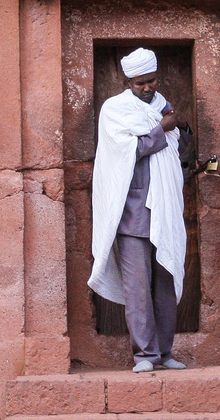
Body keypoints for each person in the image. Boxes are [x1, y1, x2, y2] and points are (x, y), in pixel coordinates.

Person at [88, 47, 189, 372]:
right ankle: (144, 355)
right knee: (137, 291)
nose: (148, 88)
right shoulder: (114, 110)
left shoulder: (163, 107)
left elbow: (177, 149)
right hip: (132, 216)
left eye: (152, 81)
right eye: (140, 83)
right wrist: (163, 128)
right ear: (127, 81)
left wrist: (179, 128)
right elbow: (129, 150)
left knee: (164, 283)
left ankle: (165, 353)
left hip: (165, 211)